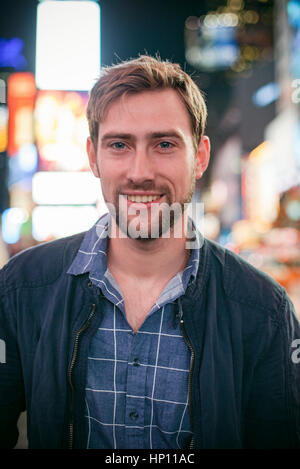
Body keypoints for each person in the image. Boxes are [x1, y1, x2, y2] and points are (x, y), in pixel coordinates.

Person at [0, 55, 299, 450]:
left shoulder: (263, 308)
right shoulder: (22, 288)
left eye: (164, 144)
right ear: (93, 157)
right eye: (120, 144)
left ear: (201, 157)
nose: (140, 171)